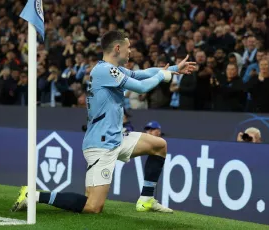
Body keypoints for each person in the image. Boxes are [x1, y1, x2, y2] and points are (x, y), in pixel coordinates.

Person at [11, 30, 196, 214]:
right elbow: (141, 87)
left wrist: (173, 70)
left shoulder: (112, 69)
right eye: (128, 47)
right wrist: (163, 77)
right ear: (117, 48)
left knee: (159, 145)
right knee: (93, 206)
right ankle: (34, 196)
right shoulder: (103, 71)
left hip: (116, 138)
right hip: (101, 145)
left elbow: (143, 74)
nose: (130, 51)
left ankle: (146, 199)